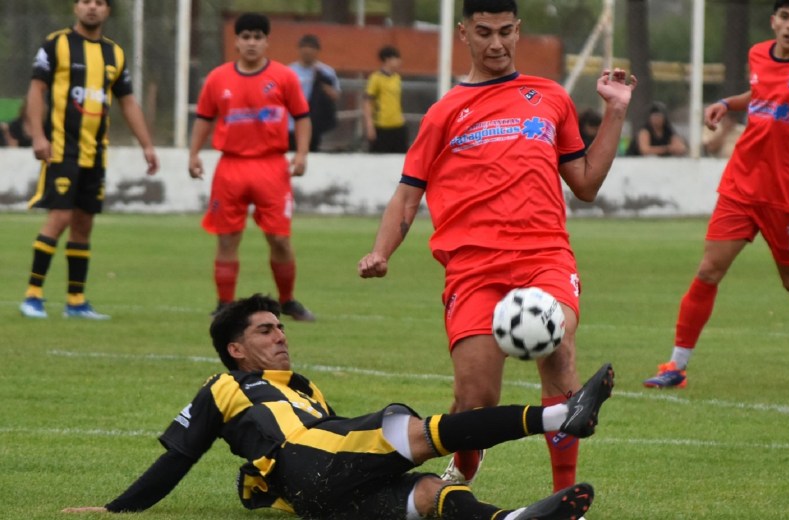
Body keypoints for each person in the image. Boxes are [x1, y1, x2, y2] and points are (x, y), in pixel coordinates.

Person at [358, 0, 636, 494]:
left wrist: (615, 110)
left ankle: (562, 494)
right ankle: (465, 466)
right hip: (473, 268)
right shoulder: (444, 112)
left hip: (544, 256)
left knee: (560, 353)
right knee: (475, 398)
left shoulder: (549, 97)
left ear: (518, 30)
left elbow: (587, 183)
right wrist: (382, 252)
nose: (496, 44)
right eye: (484, 32)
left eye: (505, 32)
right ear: (464, 33)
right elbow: (407, 193)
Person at [61, 294, 615, 519]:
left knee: (427, 492)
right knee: (417, 431)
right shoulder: (223, 388)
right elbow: (177, 456)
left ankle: (509, 519)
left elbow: (326, 446)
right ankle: (561, 417)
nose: (280, 336)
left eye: (280, 327)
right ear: (236, 350)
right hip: (307, 457)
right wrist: (115, 509)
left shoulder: (305, 389)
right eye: (265, 331)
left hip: (318, 493)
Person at [643, 0, 789, 391]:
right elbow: (761, 93)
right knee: (709, 270)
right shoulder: (758, 54)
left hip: (788, 196)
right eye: (785, 17)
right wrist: (727, 104)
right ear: (773, 21)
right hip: (741, 186)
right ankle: (676, 365)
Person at [18, 0, 159, 320]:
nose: (92, 8)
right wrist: (37, 135)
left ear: (107, 10)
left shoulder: (115, 54)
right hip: (61, 148)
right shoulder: (56, 44)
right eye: (86, 1)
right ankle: (33, 295)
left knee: (84, 223)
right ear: (75, 7)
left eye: (99, 3)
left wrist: (147, 145)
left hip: (95, 152)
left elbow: (128, 102)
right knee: (60, 217)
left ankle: (76, 301)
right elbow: (36, 90)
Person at [188, 13, 315, 321]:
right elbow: (204, 118)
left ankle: (288, 300)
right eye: (246, 37)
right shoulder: (218, 78)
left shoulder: (284, 77)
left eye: (258, 37)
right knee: (228, 237)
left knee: (280, 238)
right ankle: (224, 304)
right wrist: (193, 154)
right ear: (237, 41)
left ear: (266, 41)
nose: (252, 43)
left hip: (271, 166)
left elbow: (301, 117)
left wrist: (301, 154)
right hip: (231, 166)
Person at [288, 34, 340, 152]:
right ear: (299, 50)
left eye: (311, 49)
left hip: (313, 123)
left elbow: (335, 95)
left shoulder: (326, 72)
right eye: (304, 48)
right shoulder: (289, 71)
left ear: (317, 51)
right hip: (291, 124)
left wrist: (323, 85)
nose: (307, 52)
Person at [364, 45, 409, 154]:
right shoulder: (375, 78)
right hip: (382, 126)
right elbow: (368, 103)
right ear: (387, 59)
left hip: (398, 125)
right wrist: (369, 126)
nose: (399, 62)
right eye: (396, 59)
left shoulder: (397, 78)